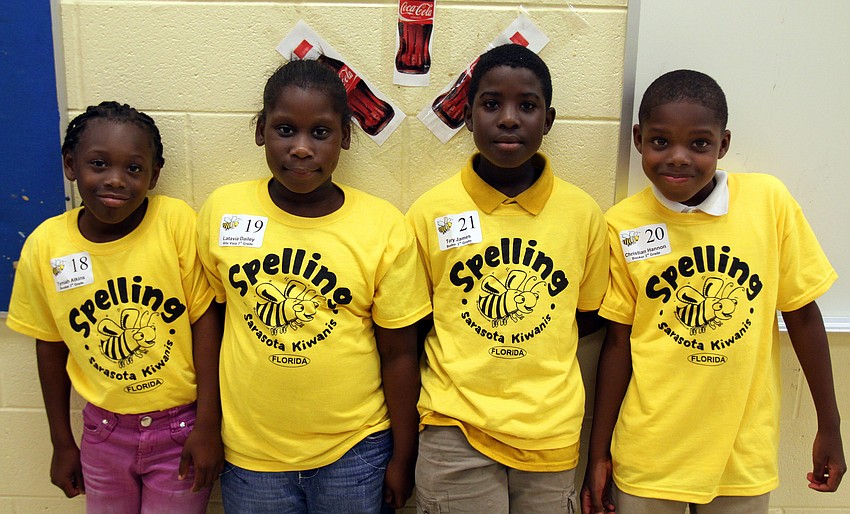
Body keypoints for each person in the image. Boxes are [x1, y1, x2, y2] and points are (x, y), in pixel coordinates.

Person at [581, 69, 846, 514]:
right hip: (649, 455)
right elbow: (618, 342)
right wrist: (599, 452)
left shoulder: (769, 203)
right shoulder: (623, 224)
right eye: (661, 142)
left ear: (723, 145)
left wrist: (831, 425)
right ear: (638, 138)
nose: (679, 158)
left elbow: (802, 315)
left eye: (699, 144)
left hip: (741, 456)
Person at [196, 59, 431, 513]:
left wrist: (404, 454)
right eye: (286, 130)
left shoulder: (382, 226)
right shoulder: (222, 210)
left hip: (356, 451)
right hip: (251, 455)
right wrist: (207, 423)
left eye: (320, 133)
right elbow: (209, 321)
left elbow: (400, 352)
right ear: (261, 129)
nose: (301, 149)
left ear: (345, 135)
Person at [406, 43, 610, 513]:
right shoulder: (431, 213)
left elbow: (589, 317)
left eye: (528, 106)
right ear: (468, 115)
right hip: (453, 427)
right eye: (492, 103)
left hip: (549, 433)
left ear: (550, 119)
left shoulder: (582, 215)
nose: (509, 119)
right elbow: (414, 322)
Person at [6, 101, 223, 513]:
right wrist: (61, 441)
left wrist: (209, 424)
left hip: (180, 428)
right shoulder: (46, 246)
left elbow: (205, 321)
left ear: (154, 175)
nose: (116, 181)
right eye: (99, 164)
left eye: (134, 169)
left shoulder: (174, 222)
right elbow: (50, 345)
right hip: (103, 433)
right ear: (71, 165)